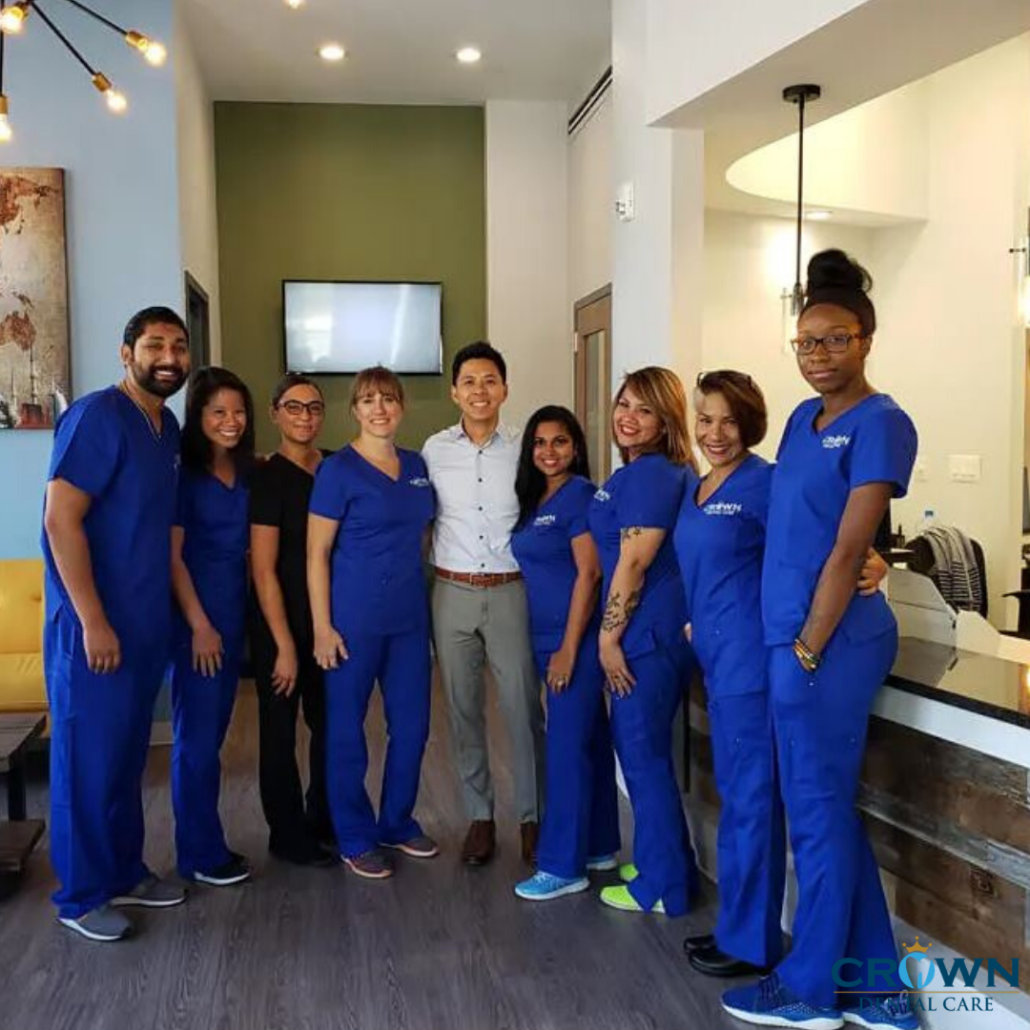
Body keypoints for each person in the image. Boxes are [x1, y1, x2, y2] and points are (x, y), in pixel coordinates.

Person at [722, 250, 918, 1030]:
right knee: (825, 810)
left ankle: (809, 991)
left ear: (866, 339)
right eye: (806, 342)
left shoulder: (882, 422)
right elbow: (797, 525)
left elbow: (847, 549)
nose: (819, 354)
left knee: (814, 815)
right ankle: (879, 991)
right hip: (789, 639)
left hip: (831, 644)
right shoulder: (803, 421)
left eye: (836, 339)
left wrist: (807, 648)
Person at [674, 372, 887, 980]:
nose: (716, 433)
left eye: (729, 421)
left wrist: (873, 563)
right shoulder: (699, 485)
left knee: (751, 801)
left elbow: (825, 541)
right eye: (706, 419)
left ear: (752, 424)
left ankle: (749, 940)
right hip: (717, 660)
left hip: (753, 661)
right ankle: (739, 928)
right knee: (741, 795)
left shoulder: (764, 483)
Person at [42, 307, 191, 941]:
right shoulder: (97, 417)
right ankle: (80, 897)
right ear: (127, 353)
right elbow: (60, 520)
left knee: (128, 758)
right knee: (87, 763)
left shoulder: (166, 425)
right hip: (93, 627)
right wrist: (93, 619)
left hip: (144, 622)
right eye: (155, 345)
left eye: (179, 346)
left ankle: (125, 870)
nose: (169, 357)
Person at [308, 366, 437, 879]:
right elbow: (316, 554)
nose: (379, 408)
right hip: (352, 621)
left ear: (401, 406)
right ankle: (356, 836)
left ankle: (397, 822)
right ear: (355, 410)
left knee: (412, 726)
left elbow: (423, 536)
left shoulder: (417, 465)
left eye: (387, 399)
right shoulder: (337, 470)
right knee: (346, 731)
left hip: (408, 620)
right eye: (367, 400)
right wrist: (322, 627)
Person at [423, 342, 545, 867]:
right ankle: (479, 816)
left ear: (505, 389)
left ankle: (533, 818)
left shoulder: (524, 448)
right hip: (451, 592)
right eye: (469, 381)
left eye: (490, 380)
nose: (480, 390)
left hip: (510, 589)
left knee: (522, 708)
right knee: (463, 708)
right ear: (454, 392)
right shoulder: (433, 450)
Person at [588, 367, 699, 916]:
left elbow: (633, 564)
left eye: (645, 409)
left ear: (666, 420)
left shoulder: (653, 474)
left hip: (644, 638)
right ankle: (668, 863)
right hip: (653, 633)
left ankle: (661, 886)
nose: (628, 417)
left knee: (642, 757)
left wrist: (609, 640)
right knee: (647, 754)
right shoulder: (645, 472)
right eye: (624, 404)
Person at [511, 406, 621, 901]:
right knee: (588, 740)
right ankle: (598, 846)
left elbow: (590, 574)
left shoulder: (579, 495)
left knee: (564, 749)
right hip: (545, 636)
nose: (548, 451)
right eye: (539, 442)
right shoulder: (537, 498)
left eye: (559, 441)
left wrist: (569, 649)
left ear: (576, 447)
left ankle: (561, 865)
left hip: (570, 639)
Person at [170, 367, 255, 888]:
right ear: (198, 415)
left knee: (214, 734)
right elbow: (172, 557)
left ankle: (207, 842)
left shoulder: (245, 471)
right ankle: (199, 853)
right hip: (197, 620)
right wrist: (200, 625)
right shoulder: (185, 475)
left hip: (233, 612)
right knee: (196, 741)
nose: (231, 421)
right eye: (219, 411)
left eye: (238, 411)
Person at [249, 373, 335, 867]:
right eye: (294, 407)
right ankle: (286, 833)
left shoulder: (337, 468)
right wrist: (284, 645)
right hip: (280, 623)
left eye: (314, 407)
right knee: (280, 732)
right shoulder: (267, 477)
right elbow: (263, 569)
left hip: (328, 623)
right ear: (275, 413)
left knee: (331, 725)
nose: (305, 416)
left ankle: (324, 817)